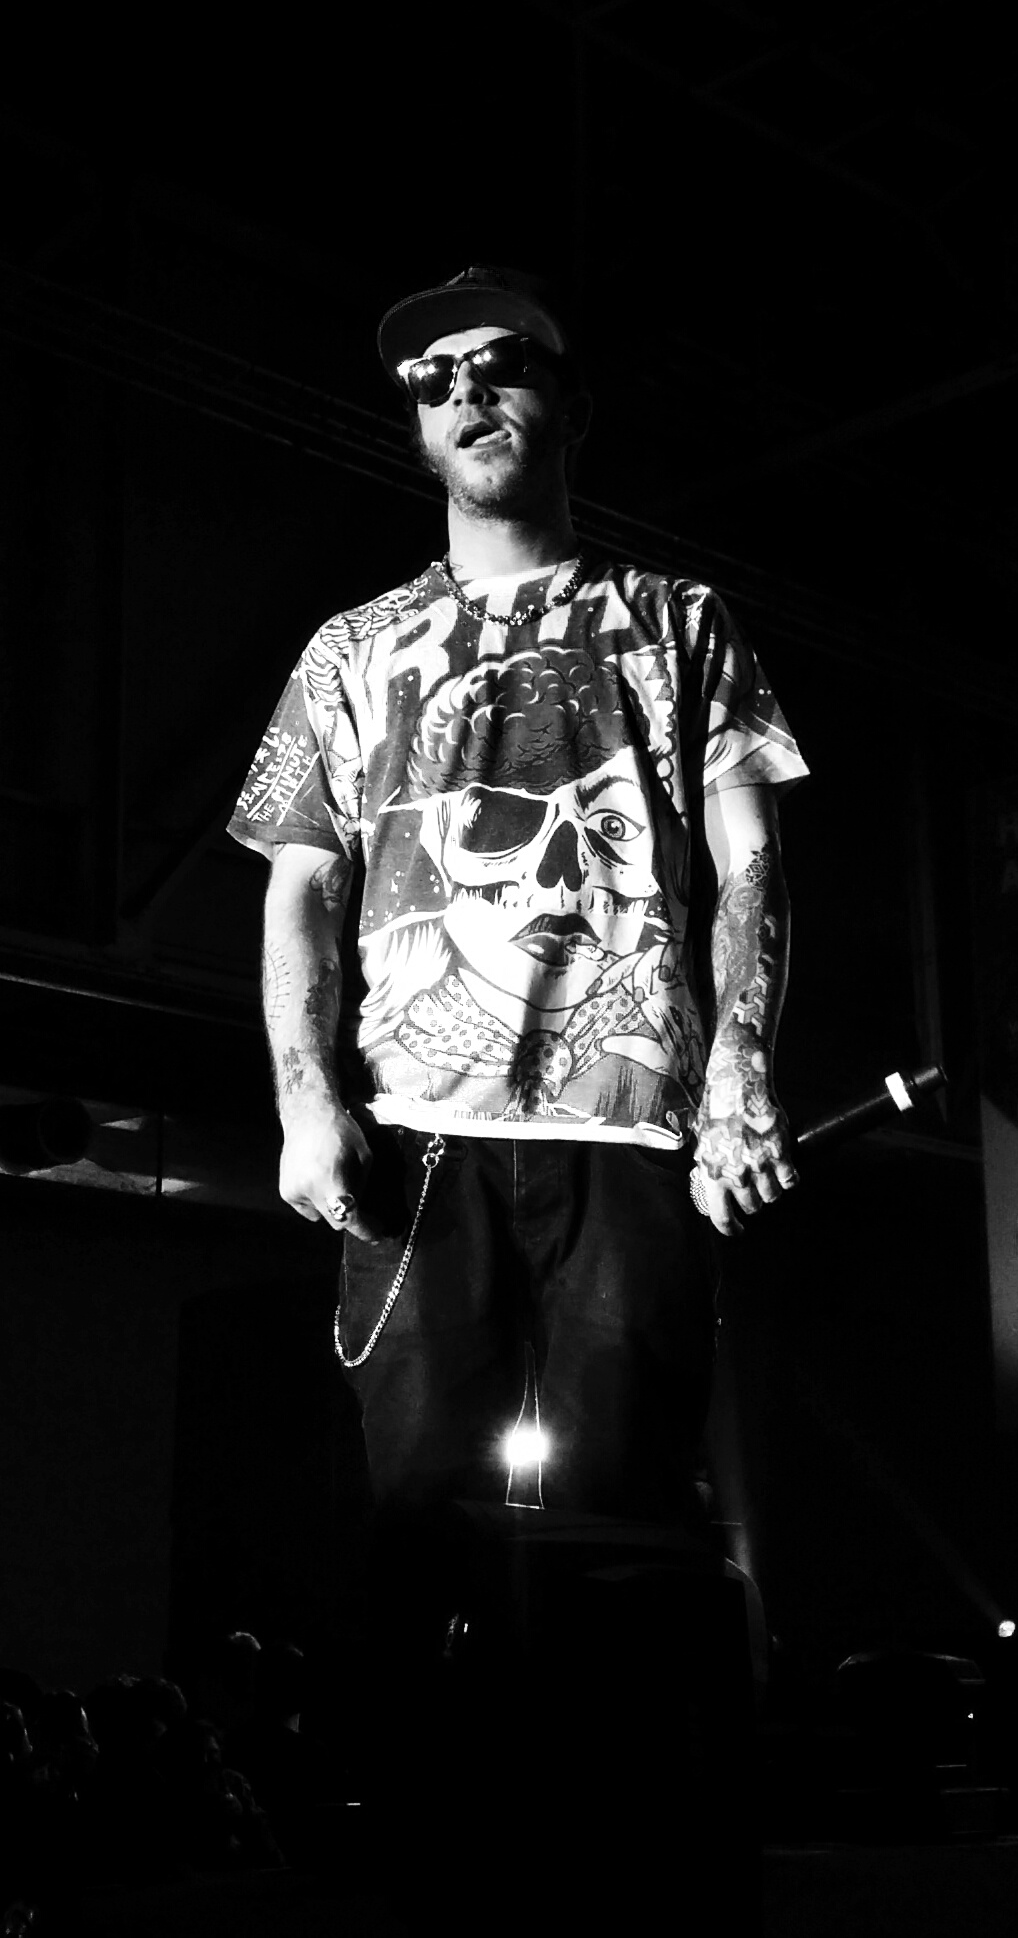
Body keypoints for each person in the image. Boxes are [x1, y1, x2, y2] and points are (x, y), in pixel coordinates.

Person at [228, 265, 808, 1529]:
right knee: (423, 1536)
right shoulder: (350, 650)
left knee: (627, 1529)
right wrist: (305, 1101)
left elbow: (751, 863)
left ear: (573, 407)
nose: (467, 392)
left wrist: (740, 1067)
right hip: (418, 1137)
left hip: (632, 1138)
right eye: (434, 379)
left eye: (502, 365)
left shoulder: (680, 622)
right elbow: (302, 889)